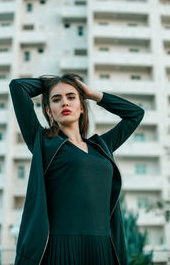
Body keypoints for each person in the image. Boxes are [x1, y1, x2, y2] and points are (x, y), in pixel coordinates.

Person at [9, 73, 145, 265]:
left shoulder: (103, 146)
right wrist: (52, 83)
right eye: (57, 99)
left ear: (81, 107)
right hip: (60, 248)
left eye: (71, 97)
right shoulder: (44, 142)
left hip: (103, 247)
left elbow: (135, 114)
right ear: (49, 111)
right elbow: (17, 87)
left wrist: (92, 94)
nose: (65, 102)